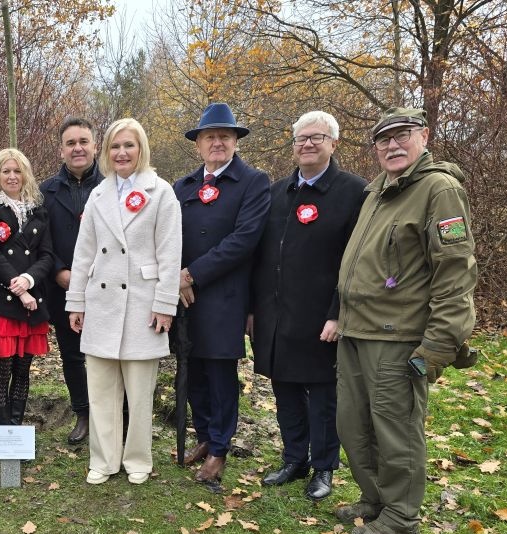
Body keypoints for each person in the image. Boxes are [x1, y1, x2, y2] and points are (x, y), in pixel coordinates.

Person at [336, 107, 477, 534]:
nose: (392, 146)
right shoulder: (378, 190)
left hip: (398, 336)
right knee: (353, 425)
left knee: (396, 427)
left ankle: (401, 517)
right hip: (356, 330)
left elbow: (456, 273)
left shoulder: (440, 189)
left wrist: (438, 346)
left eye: (402, 136)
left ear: (424, 136)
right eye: (384, 140)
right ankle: (375, 498)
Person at [249, 111, 366, 501]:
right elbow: (261, 255)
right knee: (284, 391)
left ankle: (324, 467)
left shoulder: (353, 192)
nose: (308, 144)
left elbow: (356, 261)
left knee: (322, 394)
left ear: (334, 144)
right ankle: (294, 458)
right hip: (277, 315)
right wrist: (254, 309)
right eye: (301, 138)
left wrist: (338, 312)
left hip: (321, 317)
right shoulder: (277, 191)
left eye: (317, 137)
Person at [66, 118, 182, 485]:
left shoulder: (161, 192)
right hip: (100, 303)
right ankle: (103, 459)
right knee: (100, 391)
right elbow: (83, 254)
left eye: (129, 146)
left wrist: (165, 304)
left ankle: (138, 459)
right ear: (106, 153)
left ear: (141, 149)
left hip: (143, 304)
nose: (121, 153)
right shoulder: (98, 195)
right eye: (115, 147)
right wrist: (76, 302)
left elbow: (170, 252)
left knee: (139, 392)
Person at [174, 103, 271, 484]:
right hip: (183, 298)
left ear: (235, 142)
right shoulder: (182, 187)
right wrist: (173, 277)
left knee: (219, 375)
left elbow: (243, 240)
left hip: (224, 297)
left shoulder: (253, 182)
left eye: (225, 137)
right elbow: (167, 237)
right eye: (210, 136)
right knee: (192, 370)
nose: (217, 142)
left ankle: (219, 449)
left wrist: (191, 274)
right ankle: (203, 435)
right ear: (198, 143)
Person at [0, 148, 54, 426]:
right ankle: (4, 435)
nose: (12, 176)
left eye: (17, 170)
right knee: (2, 370)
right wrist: (19, 288)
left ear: (25, 174)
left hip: (33, 300)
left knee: (23, 370)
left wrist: (29, 280)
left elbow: (46, 255)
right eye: (6, 171)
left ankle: (16, 431)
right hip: (0, 300)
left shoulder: (38, 209)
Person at [40, 117, 103, 444]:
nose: (77, 148)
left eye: (83, 141)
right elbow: (40, 239)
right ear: (61, 149)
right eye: (70, 143)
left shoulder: (112, 186)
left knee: (107, 355)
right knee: (73, 354)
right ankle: (83, 413)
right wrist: (59, 271)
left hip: (108, 287)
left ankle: (112, 416)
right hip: (62, 285)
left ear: (95, 145)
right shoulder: (45, 191)